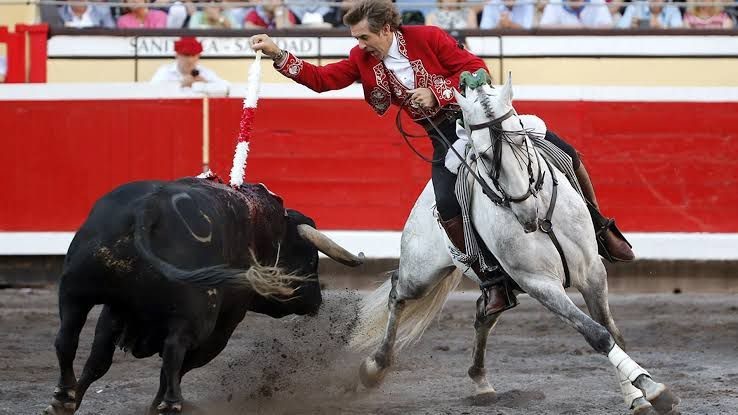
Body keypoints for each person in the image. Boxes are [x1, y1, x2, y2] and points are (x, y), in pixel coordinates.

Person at [249, 0, 632, 315]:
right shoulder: (362, 58)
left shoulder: (427, 37)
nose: (360, 44)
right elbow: (323, 79)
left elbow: (476, 71)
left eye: (364, 36)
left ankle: (601, 228)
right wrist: (278, 54)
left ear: (386, 30)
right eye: (356, 38)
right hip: (444, 137)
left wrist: (438, 94)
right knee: (447, 202)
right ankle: (493, 281)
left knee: (564, 152)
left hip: (481, 118)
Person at [150, 37, 229, 94]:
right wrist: (180, 85)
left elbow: (227, 88)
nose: (190, 60)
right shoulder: (165, 71)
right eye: (186, 55)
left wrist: (206, 83)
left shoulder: (205, 72)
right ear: (177, 55)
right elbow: (152, 91)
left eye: (193, 55)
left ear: (198, 56)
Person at [539, 0, 613, 28]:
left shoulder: (597, 2)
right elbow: (545, 26)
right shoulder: (555, 2)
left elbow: (607, 26)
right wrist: (572, 27)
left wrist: (584, 30)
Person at [616, 0, 683, 29]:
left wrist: (661, 28)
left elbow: (678, 30)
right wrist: (630, 27)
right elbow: (620, 28)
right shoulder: (635, 7)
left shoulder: (672, 9)